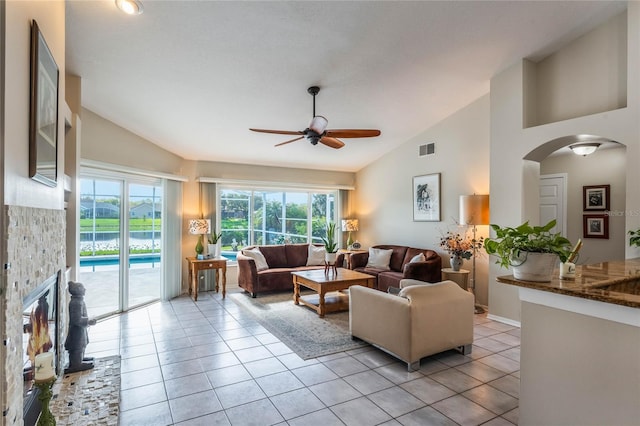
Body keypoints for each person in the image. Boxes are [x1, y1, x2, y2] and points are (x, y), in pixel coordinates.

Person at [64, 281, 97, 373]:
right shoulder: (76, 303)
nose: (85, 289)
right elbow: (76, 319)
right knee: (78, 346)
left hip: (79, 330)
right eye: (83, 288)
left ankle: (79, 360)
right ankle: (76, 364)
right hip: (76, 331)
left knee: (81, 345)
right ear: (78, 290)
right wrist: (88, 321)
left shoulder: (79, 301)